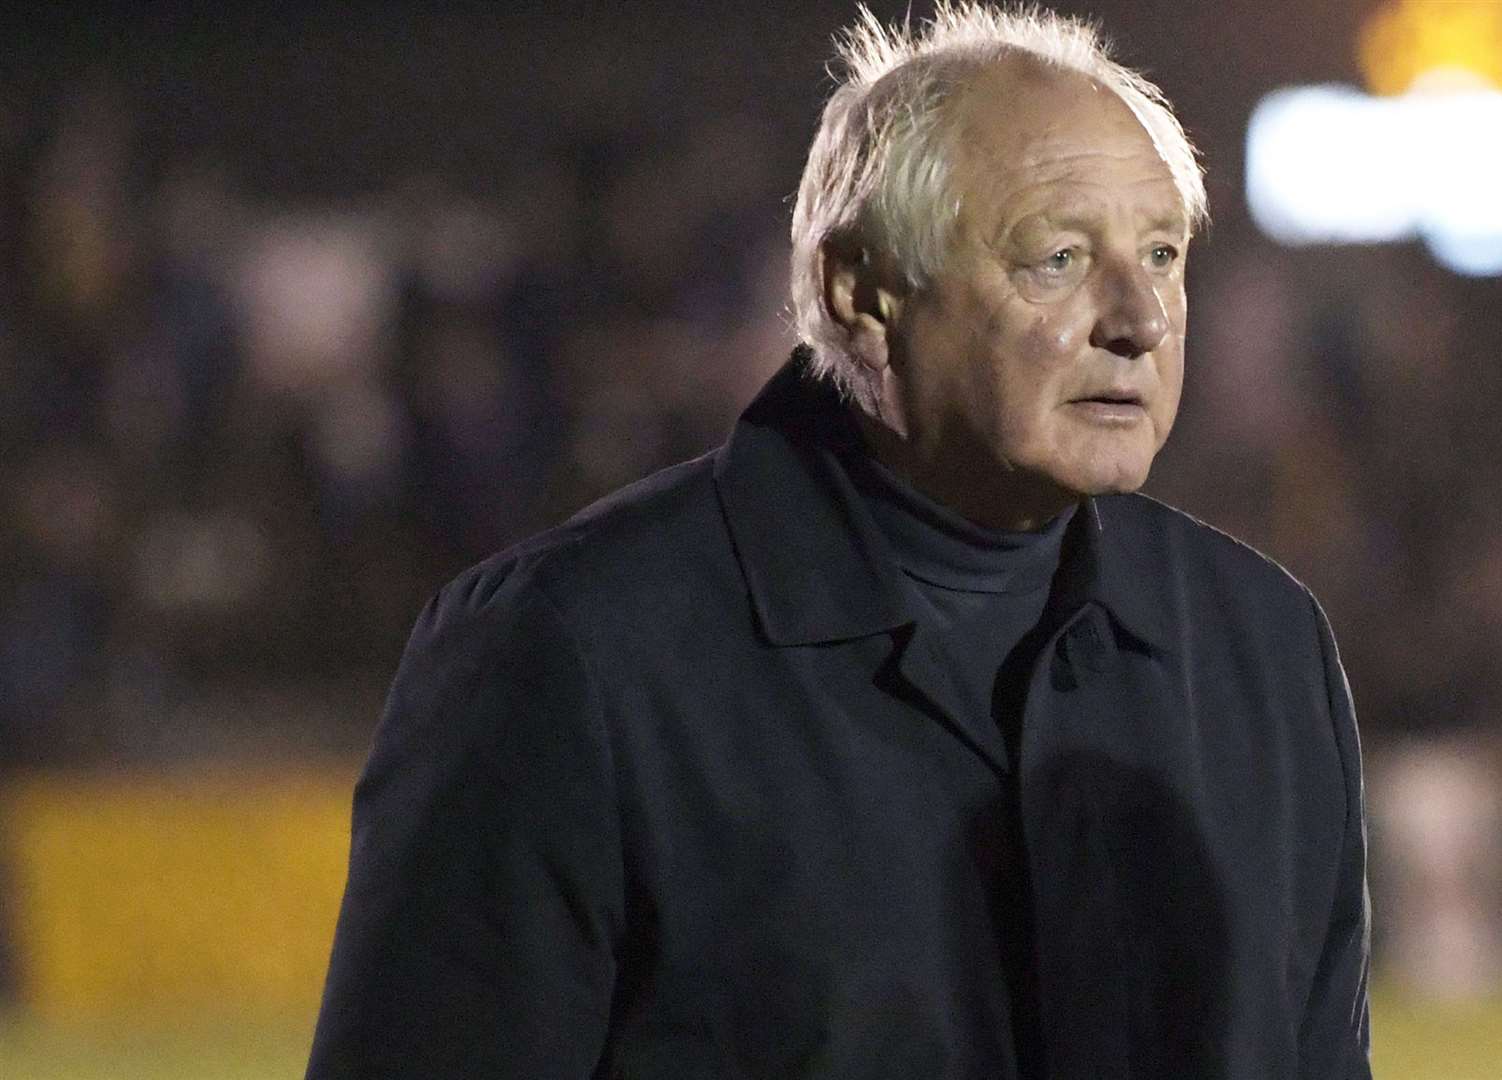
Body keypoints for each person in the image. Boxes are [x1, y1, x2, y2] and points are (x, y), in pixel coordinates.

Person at [306, 4, 1372, 1078]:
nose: (1139, 318)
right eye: (1057, 258)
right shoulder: (571, 655)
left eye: (1162, 252)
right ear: (859, 291)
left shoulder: (1263, 649)